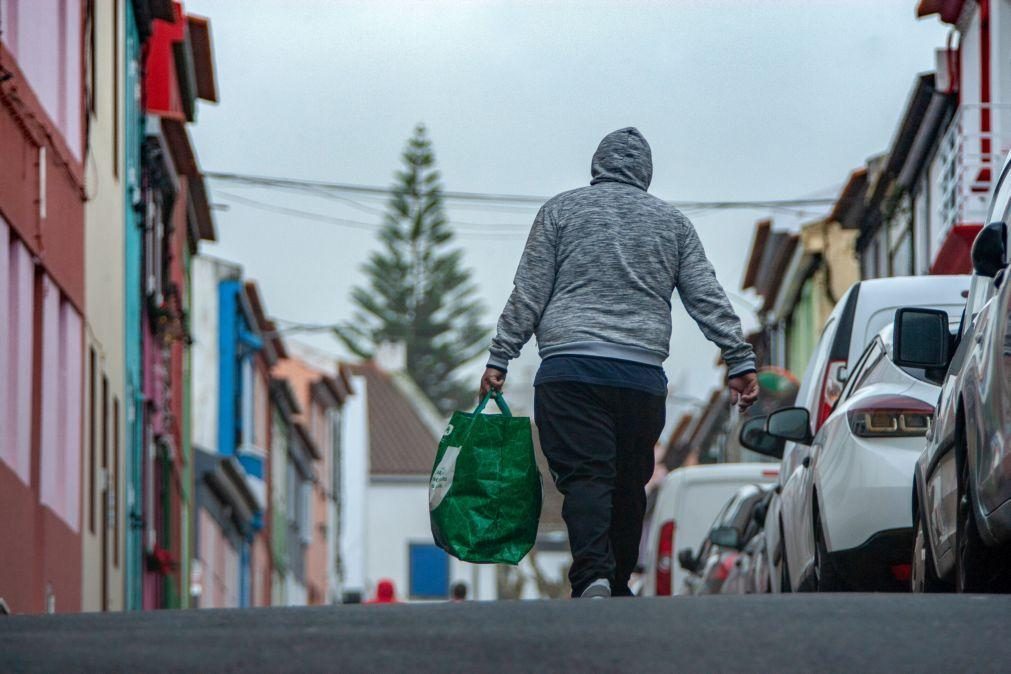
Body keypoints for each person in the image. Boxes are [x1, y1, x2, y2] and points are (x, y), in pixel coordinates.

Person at [480, 128, 758, 599]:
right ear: (646, 173)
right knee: (630, 481)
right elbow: (705, 295)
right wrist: (738, 357)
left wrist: (501, 355)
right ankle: (620, 580)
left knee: (587, 476)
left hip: (570, 372)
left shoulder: (560, 212)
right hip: (640, 377)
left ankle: (593, 577)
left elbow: (528, 290)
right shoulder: (673, 224)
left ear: (597, 166)